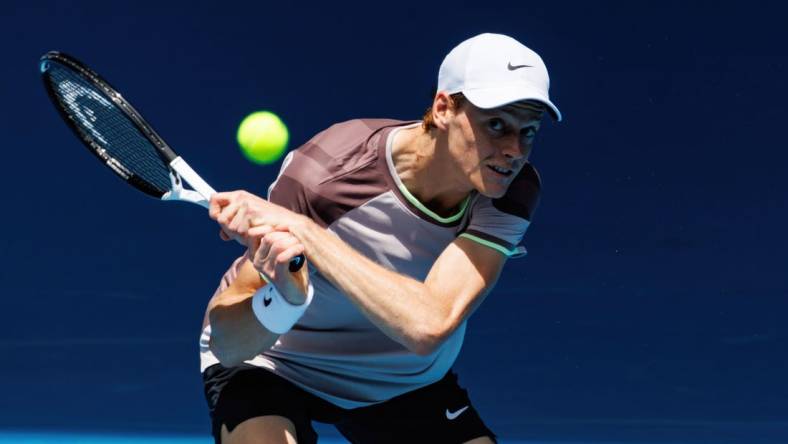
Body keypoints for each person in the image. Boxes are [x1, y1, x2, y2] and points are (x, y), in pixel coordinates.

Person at [200, 32, 562, 444]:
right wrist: (283, 301)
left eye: (528, 132)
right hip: (277, 364)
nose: (514, 150)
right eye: (496, 125)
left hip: (403, 381)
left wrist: (305, 232)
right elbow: (229, 347)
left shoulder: (511, 190)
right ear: (443, 107)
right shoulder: (327, 174)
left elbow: (430, 323)